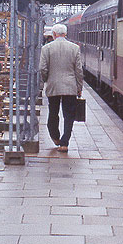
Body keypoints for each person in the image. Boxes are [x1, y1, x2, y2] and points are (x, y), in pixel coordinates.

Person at [39, 23, 83, 152]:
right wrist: (79, 86)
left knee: (53, 113)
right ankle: (64, 143)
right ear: (66, 34)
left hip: (53, 86)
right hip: (70, 86)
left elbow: (43, 68)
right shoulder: (74, 48)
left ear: (53, 34)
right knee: (69, 115)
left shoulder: (46, 48)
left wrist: (47, 79)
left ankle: (55, 137)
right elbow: (78, 70)